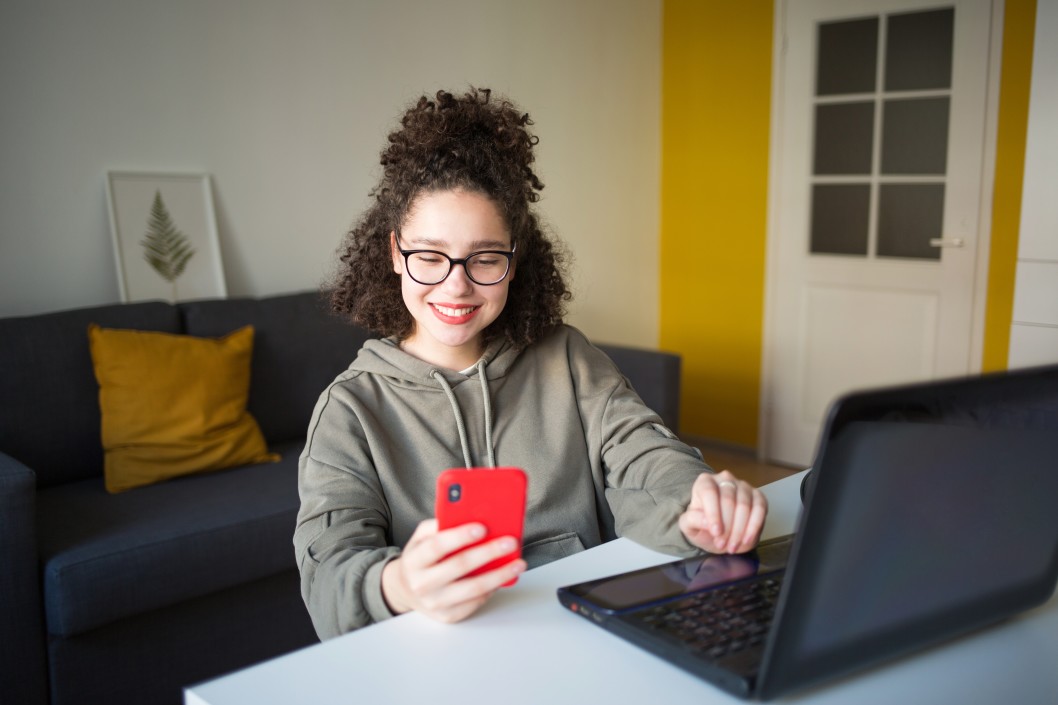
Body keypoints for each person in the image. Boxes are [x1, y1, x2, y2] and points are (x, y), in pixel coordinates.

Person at [294, 87, 768, 639]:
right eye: (429, 256)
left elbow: (646, 455)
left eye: (485, 257)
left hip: (586, 630)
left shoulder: (566, 359)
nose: (457, 284)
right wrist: (397, 584)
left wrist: (698, 502)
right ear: (396, 252)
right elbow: (326, 572)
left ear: (515, 258)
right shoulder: (350, 409)